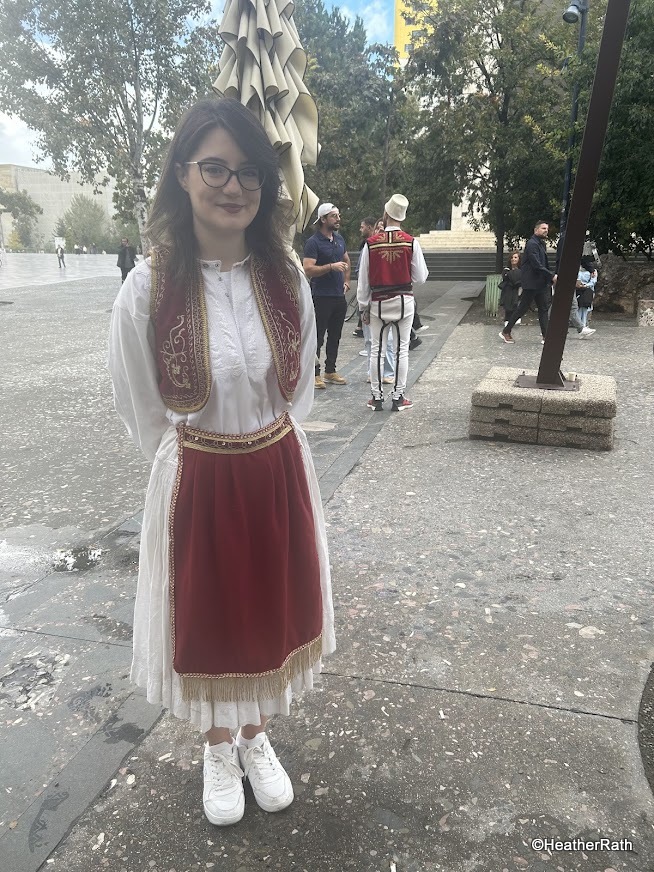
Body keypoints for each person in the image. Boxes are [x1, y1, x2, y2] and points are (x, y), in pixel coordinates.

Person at [108, 97, 335, 827]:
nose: (232, 186)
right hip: (198, 475)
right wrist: (187, 465)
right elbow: (142, 403)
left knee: (267, 610)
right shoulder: (147, 286)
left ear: (265, 185)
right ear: (182, 174)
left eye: (247, 172)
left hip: (272, 467)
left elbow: (294, 390)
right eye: (214, 168)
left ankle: (257, 736)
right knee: (208, 619)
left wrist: (269, 450)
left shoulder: (285, 278)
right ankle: (216, 743)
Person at [357, 193, 428, 411]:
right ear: (402, 217)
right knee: (401, 350)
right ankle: (398, 398)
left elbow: (363, 281)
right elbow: (421, 277)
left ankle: (377, 398)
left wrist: (363, 308)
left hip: (378, 302)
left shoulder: (371, 244)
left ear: (386, 214)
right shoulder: (411, 242)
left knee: (377, 350)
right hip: (404, 301)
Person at [303, 204, 351, 389]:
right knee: (317, 337)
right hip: (321, 296)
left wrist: (346, 280)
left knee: (335, 335)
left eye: (338, 215)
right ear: (323, 219)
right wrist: (330, 267)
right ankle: (313, 373)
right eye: (333, 216)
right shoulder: (313, 242)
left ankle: (330, 370)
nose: (338, 219)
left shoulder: (339, 239)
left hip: (338, 296)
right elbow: (308, 269)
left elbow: (346, 259)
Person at [500, 220, 556, 344]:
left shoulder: (541, 244)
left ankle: (546, 337)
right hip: (531, 283)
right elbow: (536, 264)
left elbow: (542, 264)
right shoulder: (532, 244)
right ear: (536, 230)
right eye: (543, 228)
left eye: (547, 228)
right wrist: (551, 275)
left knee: (543, 309)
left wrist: (548, 278)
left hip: (539, 283)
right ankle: (506, 331)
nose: (546, 230)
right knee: (522, 309)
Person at [353, 217, 376, 338]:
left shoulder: (371, 245)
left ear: (369, 227)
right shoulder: (365, 244)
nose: (360, 229)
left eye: (362, 227)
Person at [499, 251, 522, 326]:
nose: (513, 259)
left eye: (515, 257)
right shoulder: (506, 270)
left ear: (519, 259)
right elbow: (508, 278)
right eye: (512, 257)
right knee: (508, 308)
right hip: (508, 293)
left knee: (517, 306)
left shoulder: (522, 270)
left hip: (518, 292)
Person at [576, 255, 598, 329]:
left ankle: (584, 323)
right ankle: (579, 323)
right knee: (578, 306)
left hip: (588, 290)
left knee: (585, 306)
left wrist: (585, 285)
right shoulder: (578, 270)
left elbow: (593, 281)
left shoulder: (593, 272)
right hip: (578, 289)